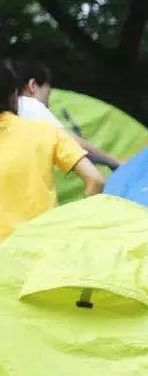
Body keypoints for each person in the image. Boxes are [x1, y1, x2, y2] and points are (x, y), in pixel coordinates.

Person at [0, 61, 104, 241]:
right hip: (43, 246)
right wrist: (79, 226)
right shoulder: (46, 132)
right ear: (14, 96)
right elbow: (95, 179)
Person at [15, 59, 123, 168]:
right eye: (47, 87)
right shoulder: (28, 105)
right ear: (32, 85)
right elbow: (72, 144)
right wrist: (115, 162)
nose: (49, 92)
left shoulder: (11, 113)